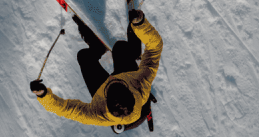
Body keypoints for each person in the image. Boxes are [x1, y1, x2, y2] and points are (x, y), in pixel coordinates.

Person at [29, 9, 162, 129]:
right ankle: (134, 52)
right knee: (120, 47)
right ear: (129, 90)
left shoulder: (98, 113)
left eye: (111, 84)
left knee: (84, 57)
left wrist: (43, 95)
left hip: (107, 88)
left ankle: (97, 48)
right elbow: (155, 48)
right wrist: (140, 25)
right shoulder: (141, 83)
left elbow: (67, 110)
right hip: (129, 78)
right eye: (117, 83)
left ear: (106, 102)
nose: (112, 78)